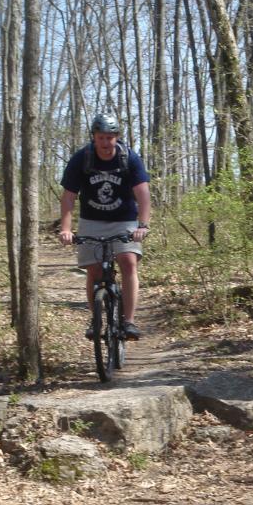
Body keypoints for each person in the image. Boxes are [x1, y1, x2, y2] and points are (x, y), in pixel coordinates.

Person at [58, 113, 151, 340]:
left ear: (116, 137)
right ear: (94, 138)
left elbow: (143, 194)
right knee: (94, 270)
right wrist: (66, 229)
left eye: (110, 138)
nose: (106, 143)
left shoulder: (129, 158)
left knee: (129, 262)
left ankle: (128, 322)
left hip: (125, 220)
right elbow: (69, 196)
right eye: (101, 138)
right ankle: (96, 318)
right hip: (92, 221)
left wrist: (143, 225)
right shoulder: (82, 158)